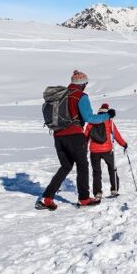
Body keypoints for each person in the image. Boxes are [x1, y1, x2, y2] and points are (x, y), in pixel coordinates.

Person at [37, 70, 113, 210]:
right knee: (82, 166)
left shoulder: (61, 95)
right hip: (75, 136)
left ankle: (47, 198)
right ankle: (84, 199)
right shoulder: (80, 96)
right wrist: (107, 116)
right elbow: (89, 118)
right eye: (86, 84)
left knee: (65, 166)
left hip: (58, 136)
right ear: (82, 84)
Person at [85, 103, 128, 198]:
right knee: (112, 169)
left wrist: (83, 148)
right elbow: (116, 135)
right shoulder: (109, 121)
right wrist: (124, 144)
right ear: (108, 111)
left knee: (96, 172)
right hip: (107, 150)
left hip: (94, 151)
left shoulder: (92, 121)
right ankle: (114, 189)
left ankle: (98, 192)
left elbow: (86, 136)